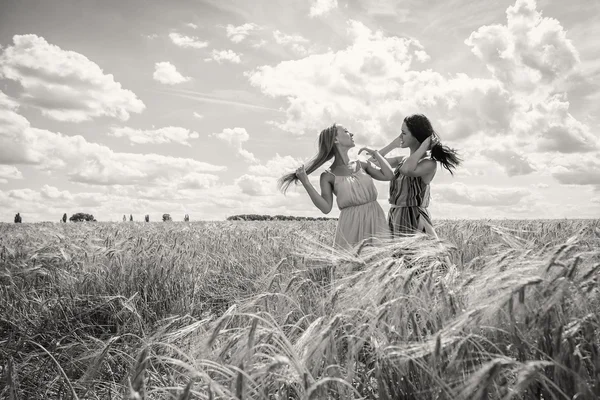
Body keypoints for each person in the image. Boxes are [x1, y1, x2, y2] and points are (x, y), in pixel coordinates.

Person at [279, 123, 394, 250]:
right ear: (336, 139)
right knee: (351, 267)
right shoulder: (327, 176)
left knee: (381, 262)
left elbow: (389, 175)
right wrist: (306, 183)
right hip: (350, 225)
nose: (351, 134)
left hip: (375, 218)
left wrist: (376, 154)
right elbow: (326, 208)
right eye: (346, 131)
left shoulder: (362, 164)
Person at [373, 114, 461, 238]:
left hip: (413, 218)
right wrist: (393, 144)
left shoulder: (429, 163)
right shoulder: (402, 159)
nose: (400, 137)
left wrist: (424, 147)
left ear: (416, 136)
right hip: (395, 214)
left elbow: (407, 170)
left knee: (410, 256)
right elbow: (374, 161)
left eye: (403, 133)